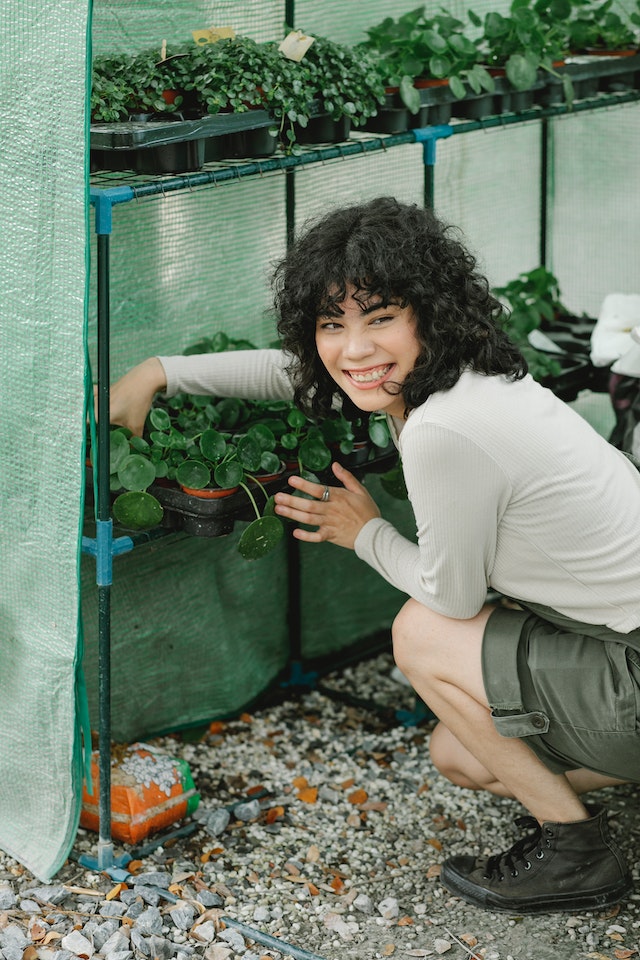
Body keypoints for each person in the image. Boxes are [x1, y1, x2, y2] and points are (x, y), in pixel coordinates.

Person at [108, 197, 640, 914]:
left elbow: (452, 603)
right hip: (614, 645)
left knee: (420, 633)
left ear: (428, 311)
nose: (353, 348)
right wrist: (159, 370)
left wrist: (363, 533)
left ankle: (578, 853)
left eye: (380, 317)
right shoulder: (472, 374)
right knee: (461, 755)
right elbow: (293, 374)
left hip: (628, 666)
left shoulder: (444, 430)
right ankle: (572, 807)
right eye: (333, 324)